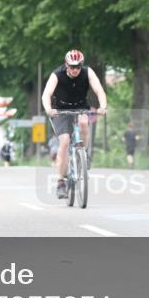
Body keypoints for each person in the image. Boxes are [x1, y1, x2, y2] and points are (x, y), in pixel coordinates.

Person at [42, 49, 108, 199]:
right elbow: (46, 94)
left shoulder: (87, 72)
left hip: (80, 107)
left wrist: (103, 106)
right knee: (65, 141)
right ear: (66, 65)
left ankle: (84, 154)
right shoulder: (57, 74)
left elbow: (99, 90)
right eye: (72, 67)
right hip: (60, 110)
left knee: (84, 124)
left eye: (78, 66)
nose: (75, 70)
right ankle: (61, 182)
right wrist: (48, 109)